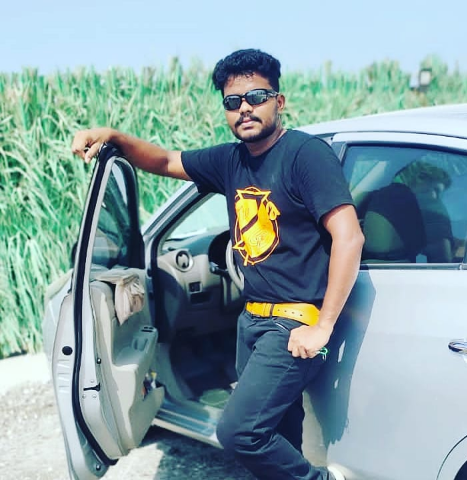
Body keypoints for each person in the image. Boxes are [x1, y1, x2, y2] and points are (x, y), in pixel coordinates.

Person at [72, 48, 365, 480]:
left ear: (279, 101)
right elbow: (164, 160)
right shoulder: (231, 160)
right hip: (252, 322)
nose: (245, 108)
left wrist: (322, 326)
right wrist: (113, 136)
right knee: (279, 430)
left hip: (296, 324)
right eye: (233, 101)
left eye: (257, 96)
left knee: (240, 431)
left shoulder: (305, 155)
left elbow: (349, 237)